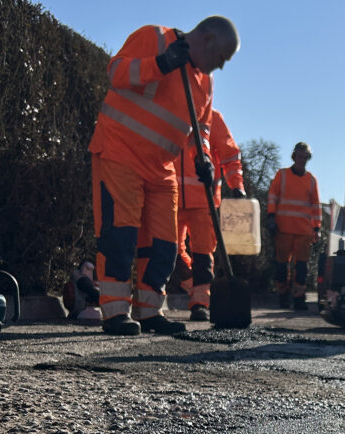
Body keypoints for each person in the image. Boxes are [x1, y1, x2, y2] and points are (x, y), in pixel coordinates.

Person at [89, 16, 240, 335]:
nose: (221, 67)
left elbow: (201, 127)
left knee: (164, 245)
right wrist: (161, 63)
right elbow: (116, 73)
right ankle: (115, 312)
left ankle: (149, 311)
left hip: (162, 166)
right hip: (120, 151)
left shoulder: (206, 83)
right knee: (120, 234)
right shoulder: (155, 39)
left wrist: (204, 158)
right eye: (222, 58)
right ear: (208, 39)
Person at [173, 108, 246, 321]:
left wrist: (237, 186)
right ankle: (197, 287)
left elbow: (230, 155)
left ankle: (200, 304)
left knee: (203, 254)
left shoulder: (214, 119)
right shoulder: (171, 110)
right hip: (170, 196)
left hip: (204, 199)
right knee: (170, 254)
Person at [265, 142, 321, 311]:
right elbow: (272, 196)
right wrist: (271, 216)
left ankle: (298, 298)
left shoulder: (311, 180)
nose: (302, 160)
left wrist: (316, 228)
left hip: (303, 231)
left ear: (308, 158)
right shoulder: (281, 175)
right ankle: (283, 296)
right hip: (283, 229)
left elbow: (316, 206)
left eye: (305, 157)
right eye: (299, 156)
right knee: (281, 266)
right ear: (294, 156)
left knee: (301, 268)